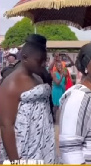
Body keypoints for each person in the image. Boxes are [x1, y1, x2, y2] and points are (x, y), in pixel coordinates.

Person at [0, 34, 56, 163]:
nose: (44, 64)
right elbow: (6, 125)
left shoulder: (38, 77)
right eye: (40, 60)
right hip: (23, 147)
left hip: (43, 143)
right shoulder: (11, 84)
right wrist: (15, 162)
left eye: (45, 60)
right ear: (25, 58)